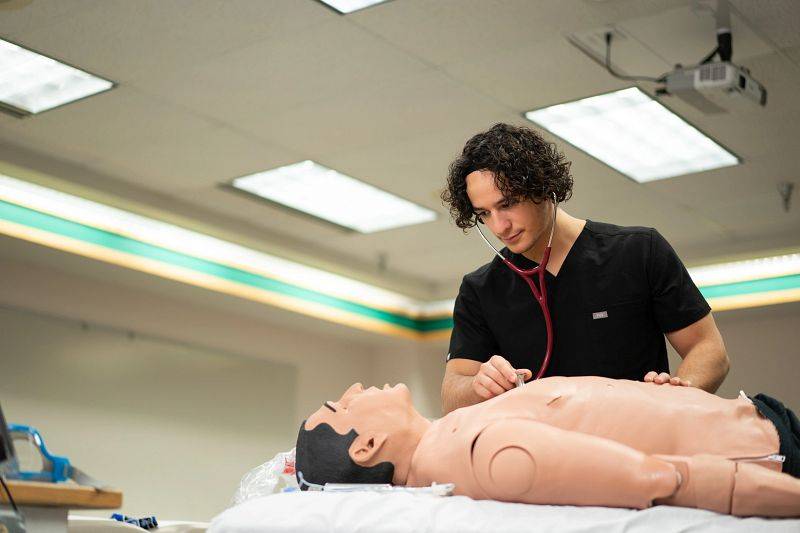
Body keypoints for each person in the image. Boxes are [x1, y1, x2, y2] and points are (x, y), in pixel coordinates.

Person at [440, 123, 730, 414]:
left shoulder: (639, 251)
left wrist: (674, 400)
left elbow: (708, 349)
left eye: (509, 203)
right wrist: (480, 383)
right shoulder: (480, 290)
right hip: (545, 454)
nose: (499, 226)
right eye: (484, 214)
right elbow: (452, 393)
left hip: (640, 442)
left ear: (542, 185)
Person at [295, 379, 800, 517]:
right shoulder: (472, 454)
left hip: (755, 423)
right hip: (767, 449)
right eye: (340, 405)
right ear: (367, 447)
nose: (354, 389)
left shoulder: (451, 433)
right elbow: (664, 479)